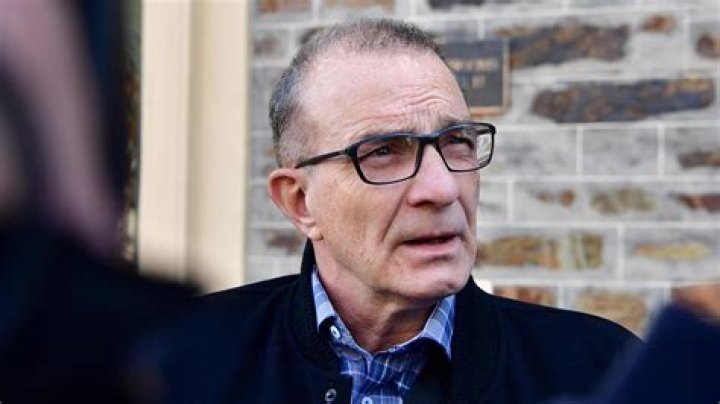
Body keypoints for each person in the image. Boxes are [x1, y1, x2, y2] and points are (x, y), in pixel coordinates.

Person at [142, 18, 639, 404]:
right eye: (383, 151)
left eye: (457, 142)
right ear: (299, 201)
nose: (442, 188)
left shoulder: (604, 372)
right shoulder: (176, 363)